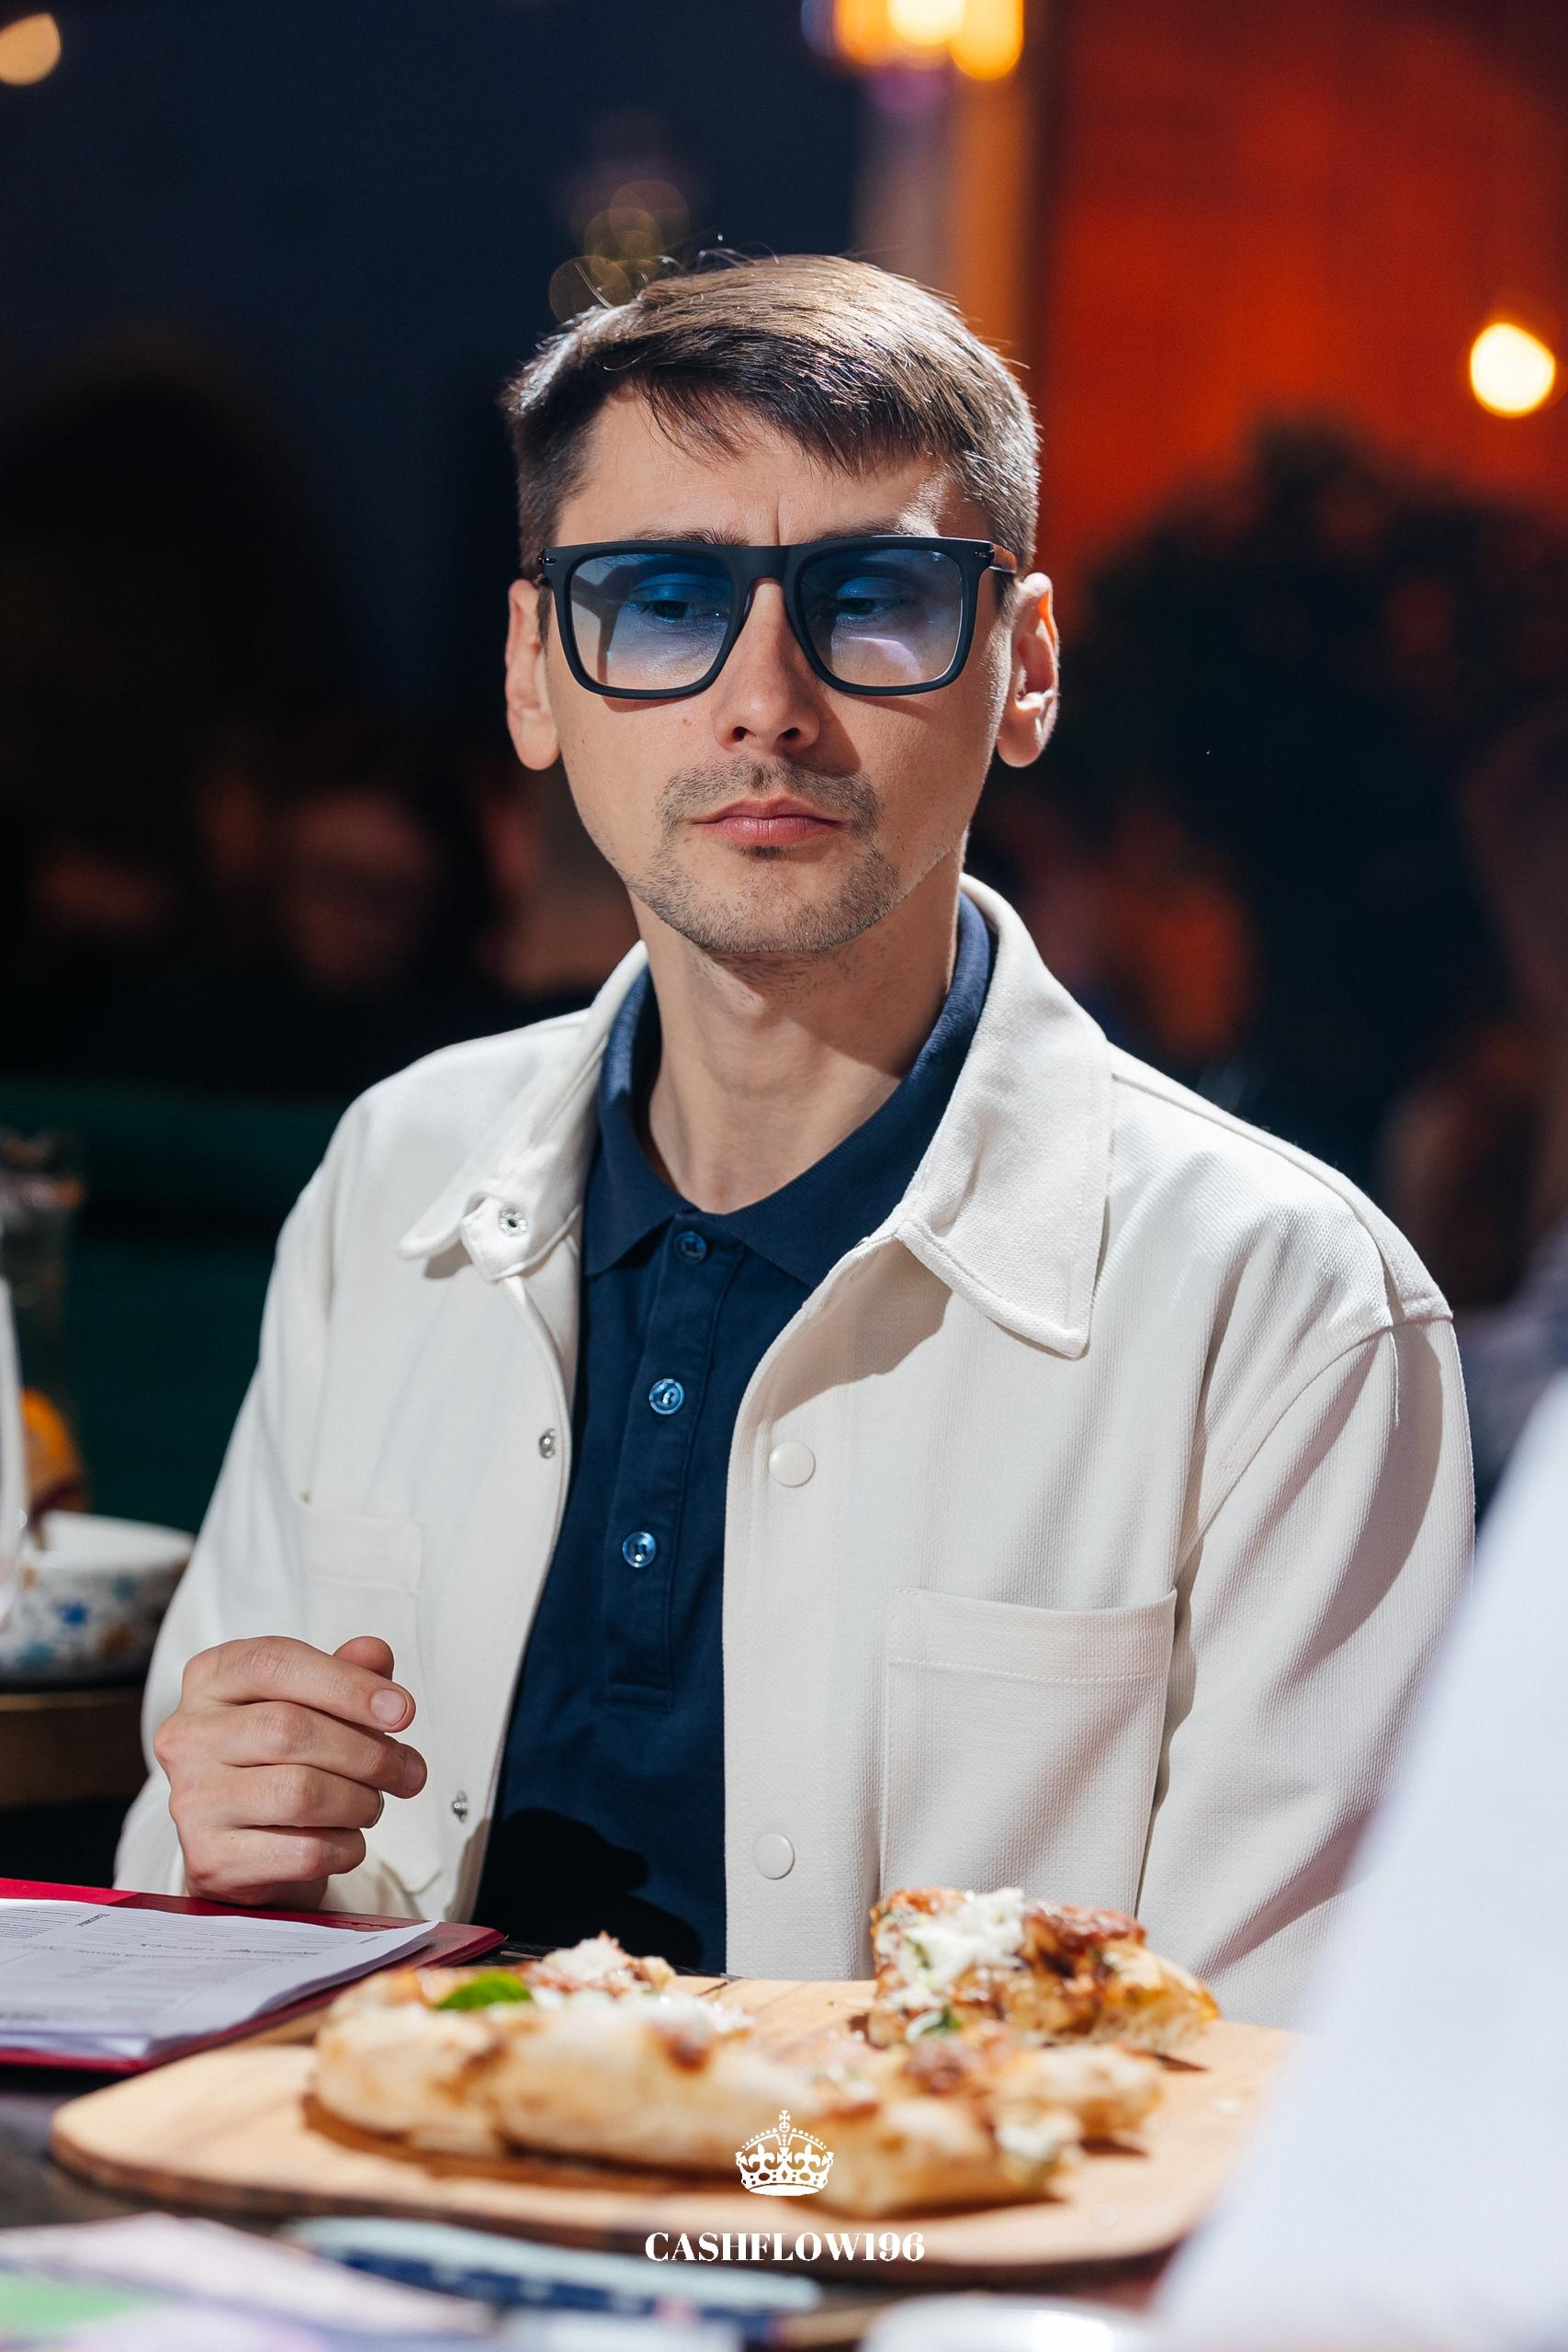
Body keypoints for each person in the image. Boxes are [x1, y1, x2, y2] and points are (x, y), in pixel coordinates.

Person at [117, 257, 1472, 2025]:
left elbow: (1270, 2072)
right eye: (663, 600)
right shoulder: (400, 1171)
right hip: (385, 2166)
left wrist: (757, 2172)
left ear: (1025, 670)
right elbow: (184, 1874)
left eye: (876, 600)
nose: (765, 701)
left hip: (870, 2211)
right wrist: (228, 1853)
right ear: (534, 673)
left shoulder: (1277, 1302)